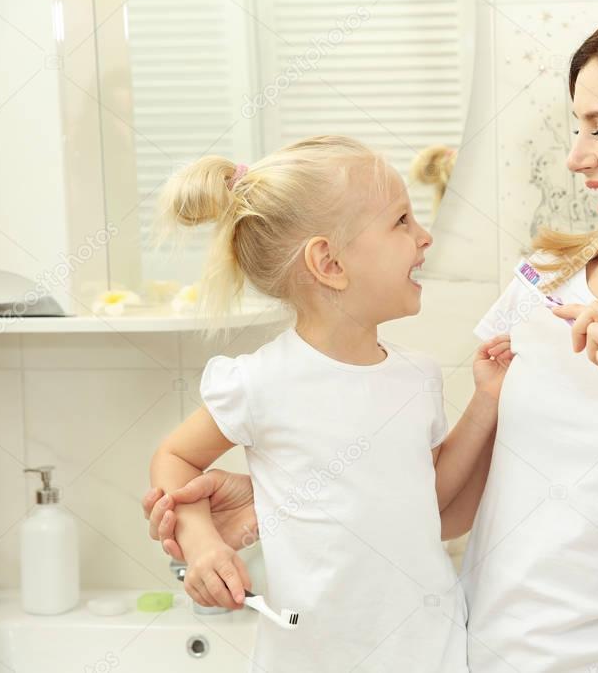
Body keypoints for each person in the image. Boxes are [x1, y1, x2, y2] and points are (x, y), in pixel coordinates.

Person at [145, 0, 598, 672]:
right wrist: (290, 495)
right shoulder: (546, 280)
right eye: (577, 128)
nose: (574, 157)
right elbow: (444, 510)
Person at [147, 135, 513, 673]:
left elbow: (435, 509)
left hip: (427, 653)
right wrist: (202, 544)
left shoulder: (418, 376)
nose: (424, 236)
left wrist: (486, 402)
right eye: (401, 222)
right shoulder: (262, 382)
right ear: (329, 263)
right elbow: (175, 458)